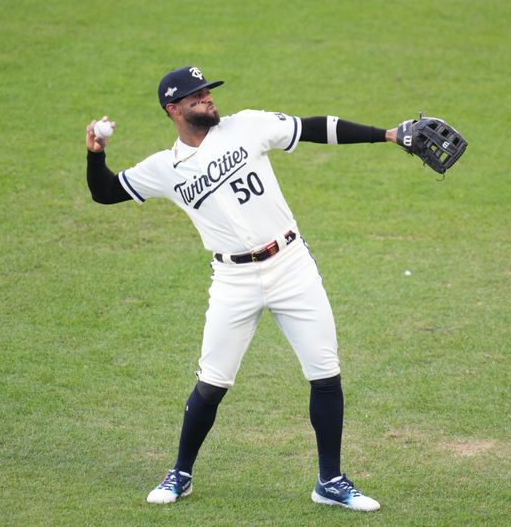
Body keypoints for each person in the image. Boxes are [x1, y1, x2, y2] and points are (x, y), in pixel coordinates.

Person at [85, 65, 406, 512]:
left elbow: (313, 128)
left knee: (325, 372)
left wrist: (386, 135)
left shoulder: (247, 125)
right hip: (233, 280)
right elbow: (105, 192)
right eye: (197, 96)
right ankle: (180, 473)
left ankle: (330, 480)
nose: (208, 99)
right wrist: (96, 153)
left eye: (208, 91)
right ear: (173, 109)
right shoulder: (163, 168)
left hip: (291, 264)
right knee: (212, 382)